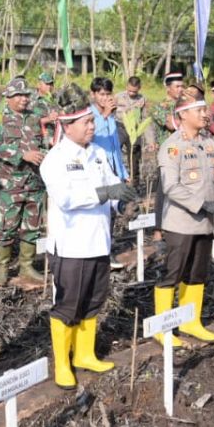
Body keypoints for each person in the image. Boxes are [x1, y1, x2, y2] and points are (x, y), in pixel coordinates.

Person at [40, 84, 140, 389]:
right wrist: (105, 192)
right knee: (68, 304)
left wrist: (121, 199)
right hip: (71, 245)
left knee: (93, 300)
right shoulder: (54, 160)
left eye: (93, 121)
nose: (92, 126)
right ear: (68, 126)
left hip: (98, 241)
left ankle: (84, 354)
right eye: (87, 122)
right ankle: (62, 362)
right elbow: (68, 198)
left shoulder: (97, 152)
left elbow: (111, 184)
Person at [156, 94, 214, 344]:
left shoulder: (210, 143)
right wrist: (201, 204)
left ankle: (191, 322)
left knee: (198, 274)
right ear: (183, 115)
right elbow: (170, 186)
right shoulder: (172, 145)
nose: (204, 114)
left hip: (206, 222)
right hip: (181, 222)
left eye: (204, 109)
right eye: (198, 110)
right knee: (173, 274)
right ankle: (163, 328)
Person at [0, 78, 47, 285]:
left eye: (26, 95)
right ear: (8, 98)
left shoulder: (35, 118)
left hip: (35, 183)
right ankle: (3, 269)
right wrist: (23, 155)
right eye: (19, 96)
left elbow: (44, 143)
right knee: (6, 226)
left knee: (32, 226)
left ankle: (27, 267)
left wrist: (43, 153)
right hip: (11, 184)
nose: (23, 99)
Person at [148, 72, 187, 242]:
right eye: (177, 86)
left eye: (182, 86)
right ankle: (157, 229)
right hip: (168, 155)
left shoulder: (185, 106)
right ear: (168, 88)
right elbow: (173, 125)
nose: (181, 89)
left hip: (184, 155)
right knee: (163, 193)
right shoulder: (160, 106)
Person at [114, 75, 151, 181]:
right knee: (115, 154)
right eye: (129, 90)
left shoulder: (143, 100)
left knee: (134, 157)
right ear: (126, 86)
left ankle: (134, 184)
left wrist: (150, 140)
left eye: (134, 92)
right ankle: (117, 180)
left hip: (135, 130)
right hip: (119, 127)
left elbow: (145, 119)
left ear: (139, 88)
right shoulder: (117, 97)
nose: (131, 93)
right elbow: (110, 114)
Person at [90, 77, 128, 181]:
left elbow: (115, 147)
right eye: (102, 94)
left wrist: (123, 172)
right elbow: (89, 135)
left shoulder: (110, 116)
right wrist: (104, 115)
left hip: (114, 170)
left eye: (108, 94)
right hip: (98, 170)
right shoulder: (88, 114)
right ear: (93, 94)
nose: (106, 98)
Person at [30, 70, 60, 146]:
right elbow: (28, 121)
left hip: (56, 138)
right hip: (39, 140)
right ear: (39, 85)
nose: (49, 87)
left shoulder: (56, 100)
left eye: (51, 84)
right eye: (46, 84)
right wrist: (48, 119)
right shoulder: (31, 100)